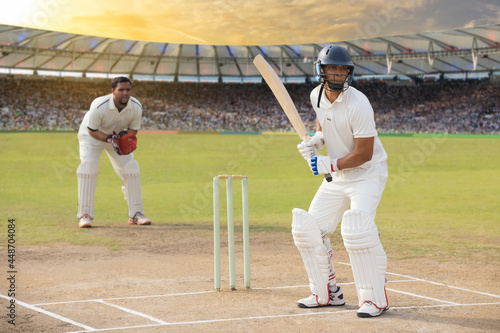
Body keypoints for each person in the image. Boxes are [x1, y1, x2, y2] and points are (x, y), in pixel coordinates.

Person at [293, 45, 389, 317]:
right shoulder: (316, 95)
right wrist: (316, 141)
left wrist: (329, 163)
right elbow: (324, 124)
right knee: (308, 229)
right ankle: (328, 292)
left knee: (357, 228)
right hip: (339, 175)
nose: (337, 73)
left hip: (367, 173)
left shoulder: (359, 103)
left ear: (349, 72)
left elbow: (364, 153)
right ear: (321, 70)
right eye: (332, 68)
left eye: (342, 68)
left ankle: (375, 298)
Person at [76, 76, 151, 228]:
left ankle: (136, 214)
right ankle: (85, 215)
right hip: (92, 136)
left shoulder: (136, 106)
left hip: (115, 137)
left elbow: (133, 129)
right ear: (112, 91)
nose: (125, 93)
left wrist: (127, 138)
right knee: (88, 169)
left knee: (131, 168)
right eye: (121, 90)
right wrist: (109, 138)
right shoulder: (99, 105)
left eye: (128, 90)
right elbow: (92, 130)